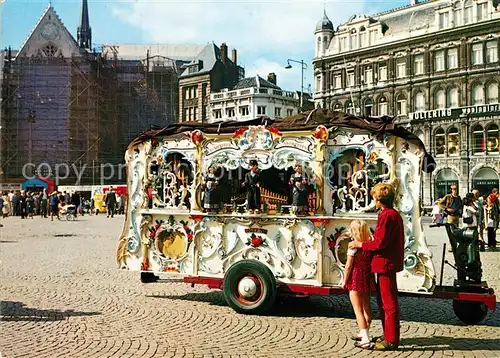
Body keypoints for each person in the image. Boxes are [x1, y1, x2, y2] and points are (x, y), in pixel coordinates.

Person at [348, 182, 404, 351]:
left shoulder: (387, 215)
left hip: (385, 262)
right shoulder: (391, 214)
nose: (373, 201)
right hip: (386, 262)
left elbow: (380, 243)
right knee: (383, 301)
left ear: (380, 199)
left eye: (374, 197)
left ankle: (391, 339)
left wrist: (360, 244)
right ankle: (388, 334)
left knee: (388, 303)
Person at [344, 219, 376, 349]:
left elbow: (348, 266)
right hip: (367, 277)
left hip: (356, 277)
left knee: (358, 311)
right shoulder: (370, 242)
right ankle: (365, 330)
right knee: (366, 307)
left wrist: (345, 280)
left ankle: (365, 338)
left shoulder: (353, 245)